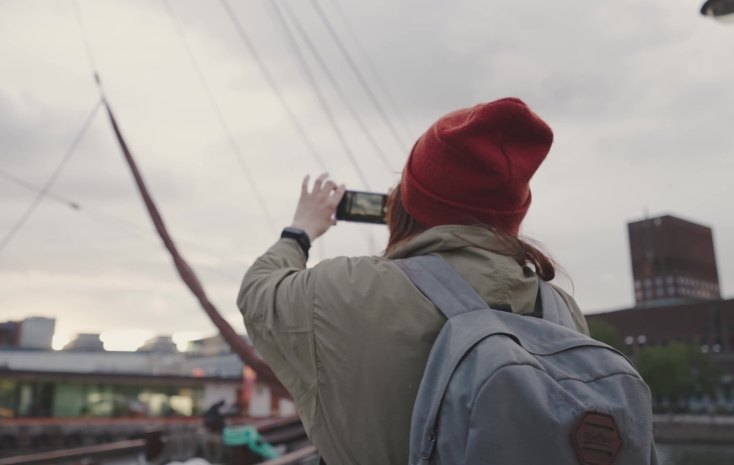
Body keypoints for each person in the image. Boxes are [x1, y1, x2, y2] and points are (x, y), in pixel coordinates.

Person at [237, 97, 589, 464]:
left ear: (408, 203)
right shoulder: (563, 311)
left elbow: (258, 291)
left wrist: (300, 231)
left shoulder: (348, 289)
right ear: (513, 213)